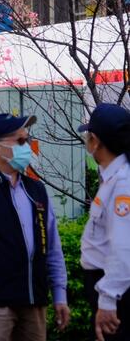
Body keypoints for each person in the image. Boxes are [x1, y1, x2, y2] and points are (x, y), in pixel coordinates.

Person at [0, 113, 69, 341]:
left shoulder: (37, 190)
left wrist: (60, 294)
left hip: (33, 300)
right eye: (20, 141)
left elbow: (52, 248)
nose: (26, 146)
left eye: (27, 140)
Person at [78, 104, 130, 341]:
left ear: (95, 141)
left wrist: (108, 299)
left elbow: (124, 248)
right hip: (111, 289)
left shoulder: (122, 183)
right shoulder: (112, 177)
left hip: (117, 295)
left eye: (88, 136)